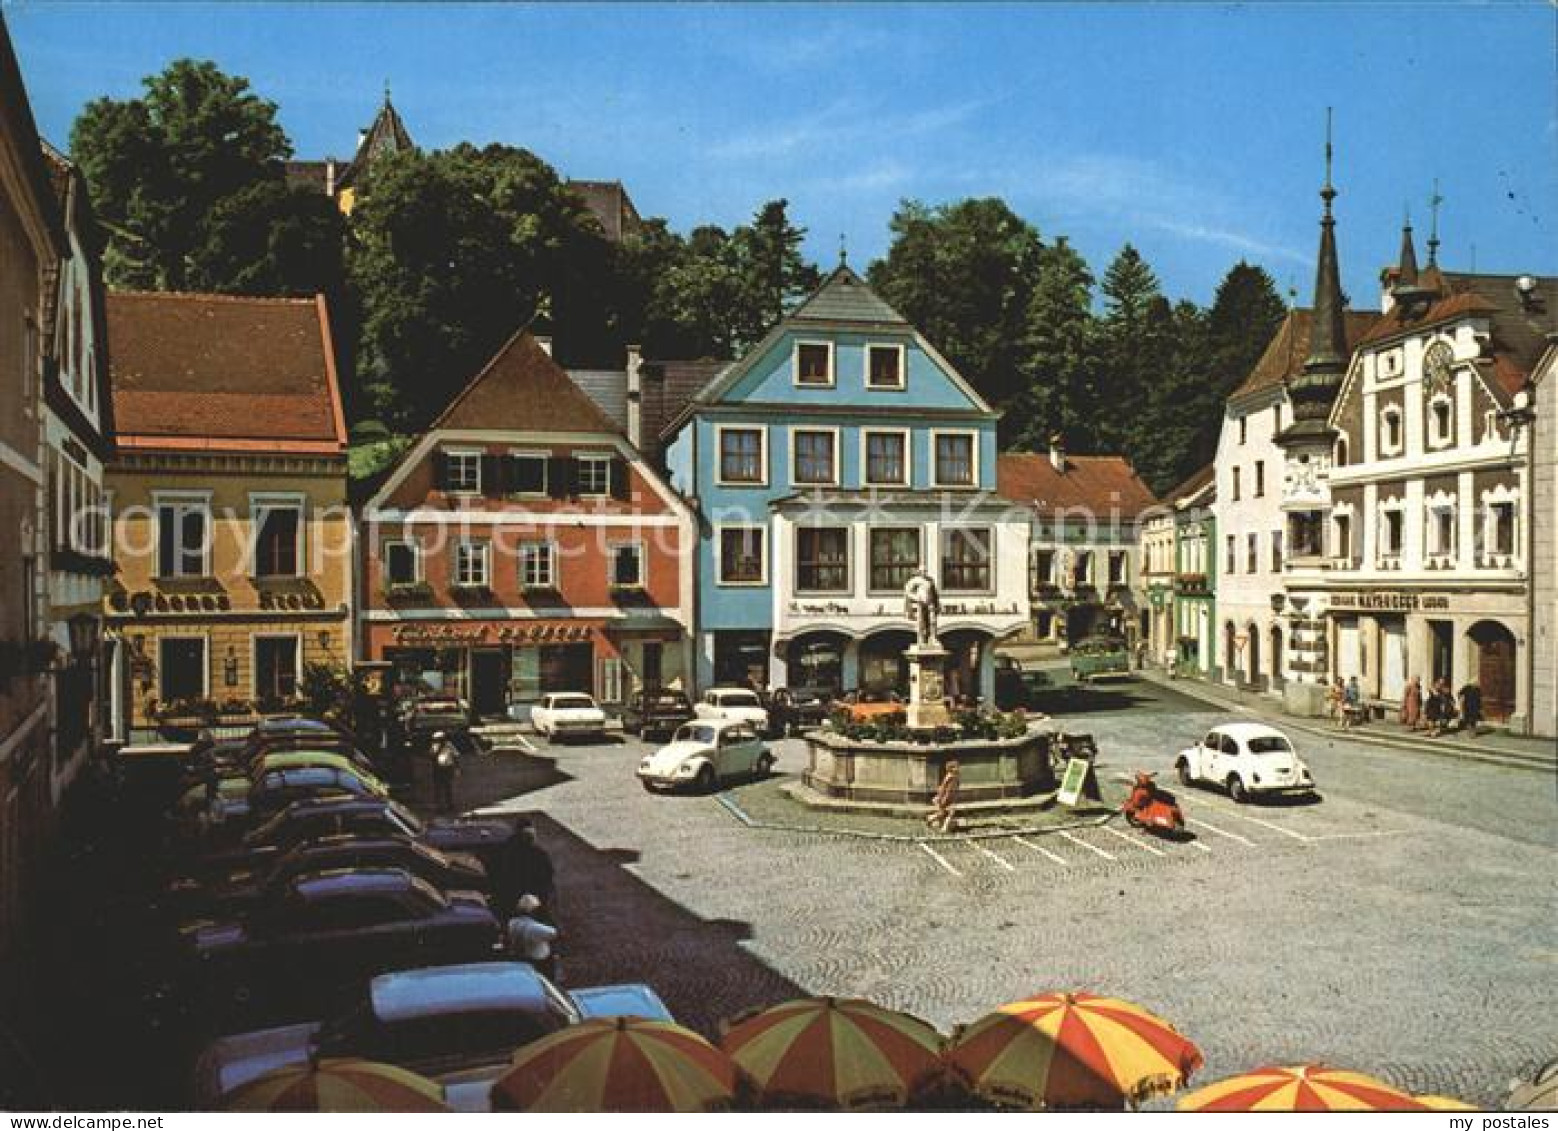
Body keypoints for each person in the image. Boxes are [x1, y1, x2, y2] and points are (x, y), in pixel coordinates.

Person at [493, 819, 556, 921]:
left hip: (511, 896)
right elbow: (548, 874)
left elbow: (498, 872)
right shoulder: (539, 853)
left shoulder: (505, 850)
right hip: (533, 895)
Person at [925, 761, 960, 833]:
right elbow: (948, 791)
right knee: (949, 812)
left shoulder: (952, 777)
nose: (958, 768)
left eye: (958, 766)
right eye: (956, 767)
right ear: (951, 769)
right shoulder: (951, 778)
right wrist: (944, 800)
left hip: (947, 798)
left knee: (943, 813)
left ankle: (931, 819)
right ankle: (943, 828)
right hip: (946, 798)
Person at [430, 730, 460, 812]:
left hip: (447, 768)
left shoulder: (449, 746)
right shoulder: (434, 746)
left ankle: (449, 804)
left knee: (447, 786)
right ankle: (439, 806)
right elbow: (432, 757)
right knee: (438, 788)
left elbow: (455, 756)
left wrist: (457, 768)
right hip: (438, 769)